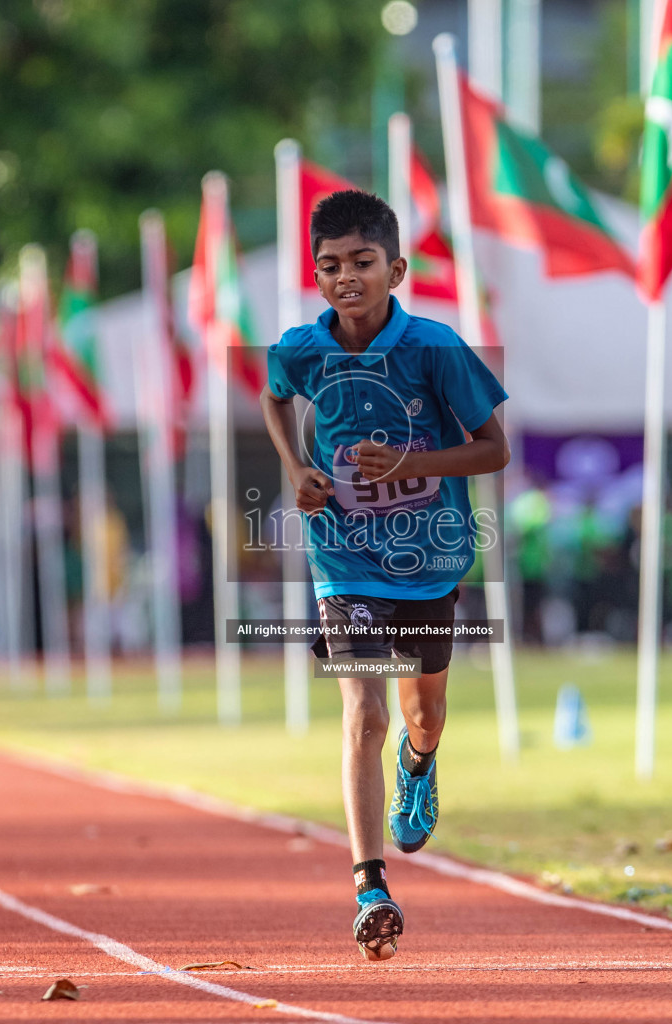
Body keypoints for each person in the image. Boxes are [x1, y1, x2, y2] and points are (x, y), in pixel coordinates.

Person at [261, 189, 509, 961]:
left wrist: (412, 463)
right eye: (329, 266)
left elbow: (494, 447)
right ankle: (370, 885)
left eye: (362, 263)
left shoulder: (434, 348)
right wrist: (295, 464)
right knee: (364, 715)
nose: (346, 278)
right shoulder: (305, 346)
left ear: (395, 268)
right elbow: (274, 392)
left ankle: (420, 764)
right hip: (343, 561)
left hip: (428, 557)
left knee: (422, 717)